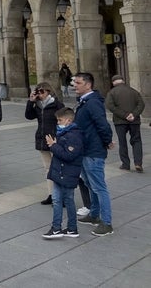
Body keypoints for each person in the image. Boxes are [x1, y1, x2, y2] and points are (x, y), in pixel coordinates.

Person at [73, 72, 115, 236]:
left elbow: (102, 125)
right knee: (90, 184)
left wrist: (107, 141)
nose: (75, 85)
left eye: (78, 82)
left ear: (88, 85)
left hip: (93, 151)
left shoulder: (93, 103)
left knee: (99, 187)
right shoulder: (84, 102)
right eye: (74, 82)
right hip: (85, 150)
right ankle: (94, 215)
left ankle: (107, 223)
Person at [42, 107, 84, 239]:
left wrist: (53, 146)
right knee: (60, 200)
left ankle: (60, 228)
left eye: (60, 120)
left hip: (66, 173)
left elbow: (69, 155)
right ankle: (66, 228)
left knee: (65, 200)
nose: (57, 123)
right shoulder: (66, 133)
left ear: (68, 120)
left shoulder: (73, 136)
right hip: (61, 172)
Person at [25, 82, 65, 204]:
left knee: (58, 169)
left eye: (42, 91)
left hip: (54, 140)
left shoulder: (56, 104)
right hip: (42, 139)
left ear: (49, 91)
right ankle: (51, 194)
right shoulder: (37, 105)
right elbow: (28, 116)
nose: (40, 94)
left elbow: (64, 121)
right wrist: (31, 101)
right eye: (38, 91)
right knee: (48, 169)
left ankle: (61, 196)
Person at [105, 74, 145, 173]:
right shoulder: (134, 91)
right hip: (134, 121)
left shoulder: (112, 92)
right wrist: (133, 114)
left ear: (113, 82)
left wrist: (124, 115)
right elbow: (141, 104)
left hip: (120, 121)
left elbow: (110, 106)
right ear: (123, 81)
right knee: (136, 141)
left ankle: (125, 164)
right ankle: (138, 163)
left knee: (122, 142)